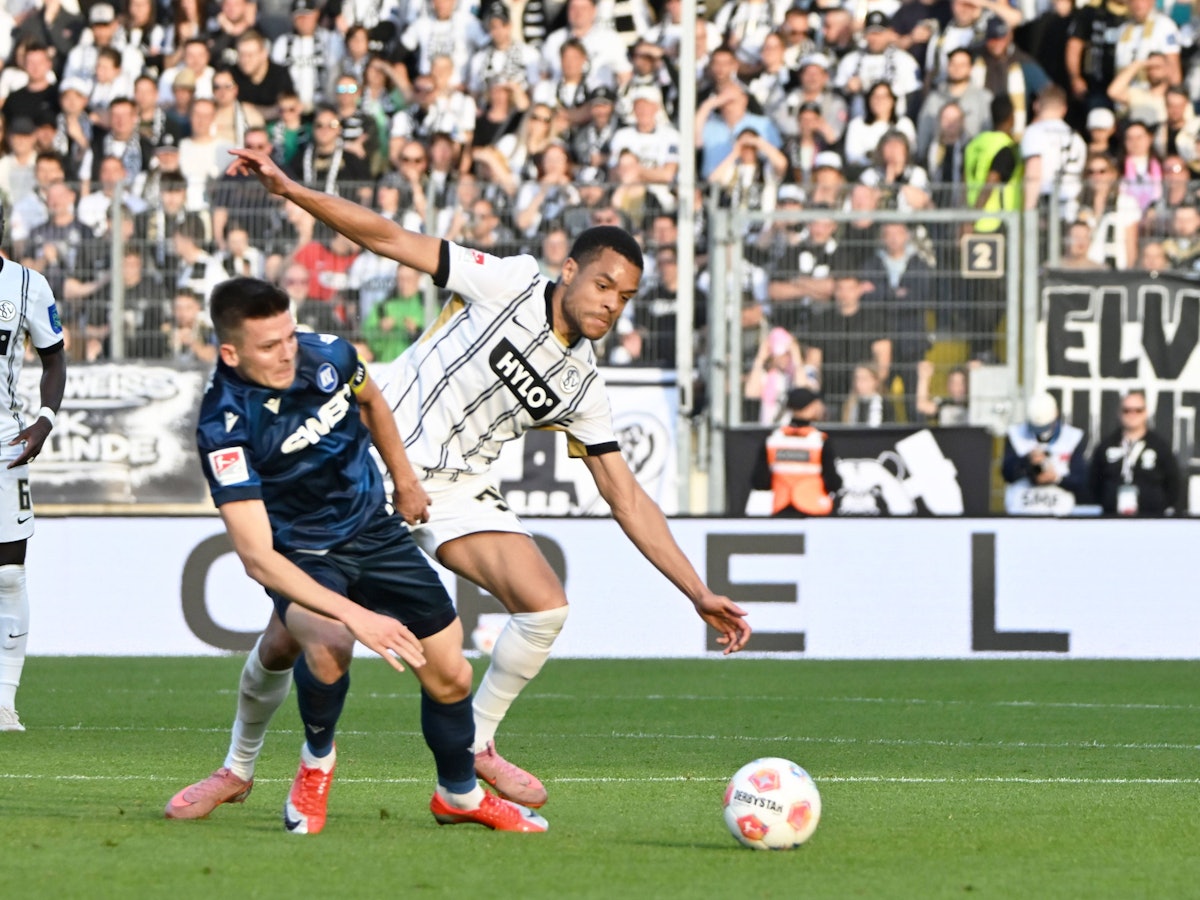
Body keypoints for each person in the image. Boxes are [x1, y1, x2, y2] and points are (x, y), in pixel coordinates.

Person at [164, 146, 752, 818]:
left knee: (545, 604)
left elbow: (626, 495)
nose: (611, 304)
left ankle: (475, 747)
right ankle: (237, 767)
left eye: (625, 297)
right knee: (292, 642)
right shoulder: (508, 282)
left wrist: (698, 591)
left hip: (452, 489)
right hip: (368, 461)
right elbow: (390, 238)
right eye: (603, 285)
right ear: (569, 272)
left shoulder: (584, 386)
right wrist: (291, 190)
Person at [168, 275, 547, 835]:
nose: (285, 354)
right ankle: (316, 764)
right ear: (231, 352)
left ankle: (458, 796)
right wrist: (356, 614)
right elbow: (257, 556)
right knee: (328, 642)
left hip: (375, 529)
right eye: (268, 347)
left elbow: (372, 400)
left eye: (288, 337)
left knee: (452, 673)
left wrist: (404, 477)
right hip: (300, 552)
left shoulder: (329, 355)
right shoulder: (223, 423)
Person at [0, 205, 68, 731]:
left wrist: (43, 421)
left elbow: (54, 358)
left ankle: (3, 700)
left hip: (4, 444)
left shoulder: (27, 285)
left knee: (8, 574)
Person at [1087, 389, 1181, 516]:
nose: (1132, 414)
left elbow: (1173, 483)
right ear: (1119, 413)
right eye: (1127, 410)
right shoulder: (1106, 445)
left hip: (1152, 520)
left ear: (1146, 412)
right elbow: (1094, 482)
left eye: (1138, 410)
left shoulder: (1159, 446)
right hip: (1112, 519)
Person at [750, 387, 841, 518]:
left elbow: (759, 481)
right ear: (812, 407)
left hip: (782, 509)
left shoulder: (772, 440)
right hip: (814, 509)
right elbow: (833, 483)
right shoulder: (819, 441)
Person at [1002, 391, 1088, 515]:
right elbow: (1007, 473)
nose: (1040, 434)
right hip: (1022, 511)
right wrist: (1027, 461)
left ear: (1056, 415)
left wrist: (1056, 478)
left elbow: (1080, 480)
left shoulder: (1073, 438)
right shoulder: (1016, 435)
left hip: (1059, 514)